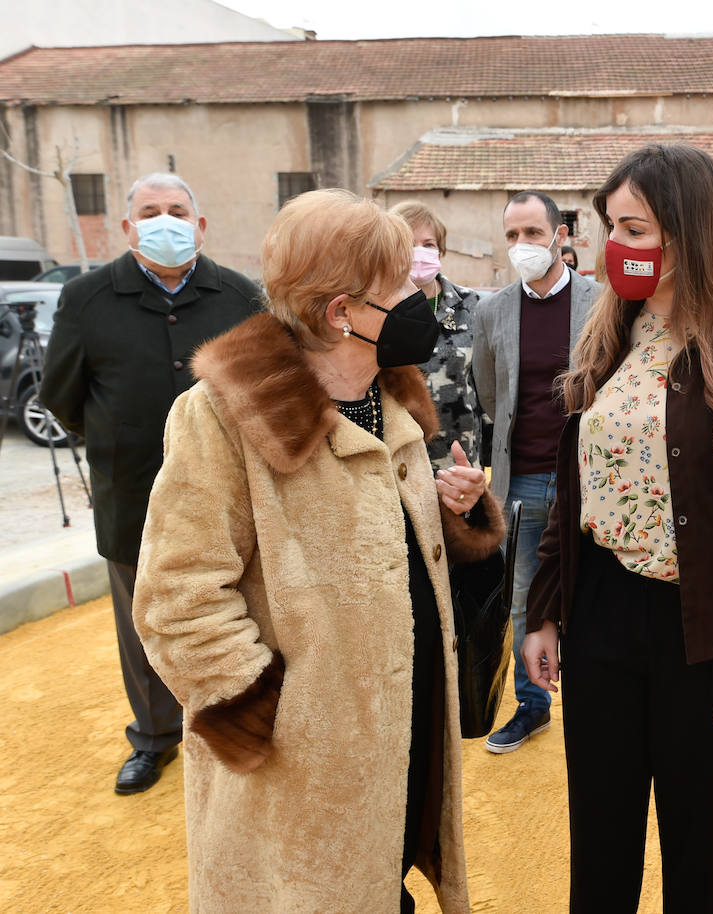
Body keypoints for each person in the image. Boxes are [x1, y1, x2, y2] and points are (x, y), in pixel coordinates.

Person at [132, 189, 503, 913]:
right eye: (398, 286)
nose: (418, 295)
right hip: (300, 780)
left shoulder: (392, 399)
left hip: (397, 744)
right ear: (341, 312)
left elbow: (387, 552)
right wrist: (274, 715)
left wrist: (456, 515)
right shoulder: (219, 416)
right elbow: (177, 599)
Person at [521, 143, 713, 913]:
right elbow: (571, 491)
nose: (615, 246)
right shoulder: (608, 333)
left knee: (697, 853)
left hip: (707, 634)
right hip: (602, 620)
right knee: (602, 849)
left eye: (634, 228)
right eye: (610, 226)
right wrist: (543, 608)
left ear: (689, 233)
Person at [40, 173, 260, 795]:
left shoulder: (240, 297)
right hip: (130, 493)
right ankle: (156, 738)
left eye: (177, 210)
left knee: (231, 611)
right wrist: (120, 438)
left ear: (200, 224)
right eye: (150, 211)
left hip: (226, 498)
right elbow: (63, 396)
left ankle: (233, 725)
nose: (165, 220)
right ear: (128, 227)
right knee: (144, 623)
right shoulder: (85, 298)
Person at [471, 190, 598, 753]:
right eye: (511, 236)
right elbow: (491, 393)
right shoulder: (492, 310)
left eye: (531, 233)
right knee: (523, 595)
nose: (522, 245)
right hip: (520, 479)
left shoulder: (603, 302)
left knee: (592, 590)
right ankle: (532, 704)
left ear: (561, 236)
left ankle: (597, 699)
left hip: (589, 479)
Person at [390, 200, 483, 468]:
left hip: (459, 461)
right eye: (408, 243)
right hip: (400, 463)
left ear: (440, 251)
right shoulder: (375, 309)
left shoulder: (471, 304)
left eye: (428, 244)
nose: (419, 252)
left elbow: (485, 384)